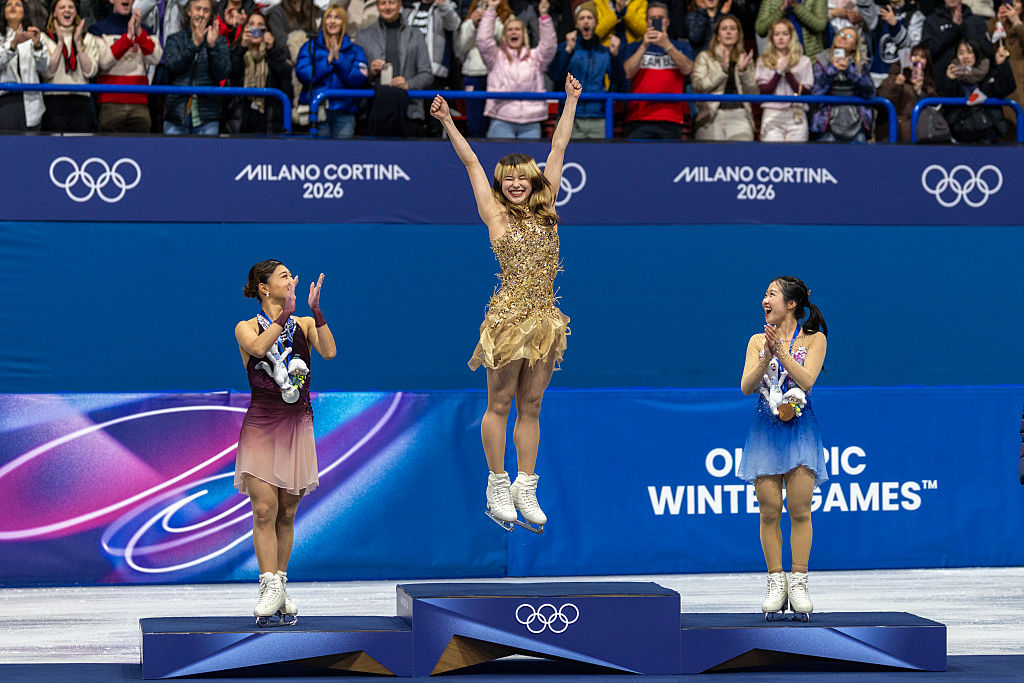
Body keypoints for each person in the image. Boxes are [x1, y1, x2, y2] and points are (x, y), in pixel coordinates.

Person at [428, 73, 582, 533]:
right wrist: (448, 123)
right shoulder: (493, 214)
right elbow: (473, 164)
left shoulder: (548, 206)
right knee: (500, 403)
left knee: (531, 405)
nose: (515, 184)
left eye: (522, 178)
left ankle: (525, 484)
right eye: (508, 179)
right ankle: (497, 483)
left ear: (534, 181)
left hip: (545, 320)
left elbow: (558, 148)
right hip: (509, 318)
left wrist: (571, 99)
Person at [234, 261, 336, 625]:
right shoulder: (246, 327)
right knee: (264, 509)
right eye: (283, 276)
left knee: (287, 512)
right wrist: (283, 316)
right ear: (264, 288)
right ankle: (267, 585)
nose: (291, 280)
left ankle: (280, 583)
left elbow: (329, 352)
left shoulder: (304, 325)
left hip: (297, 426)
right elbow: (260, 349)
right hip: (262, 426)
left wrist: (317, 312)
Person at [739, 276, 828, 621]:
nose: (765, 299)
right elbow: (746, 386)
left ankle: (799, 582)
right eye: (765, 294)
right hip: (765, 432)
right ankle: (776, 583)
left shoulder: (814, 338)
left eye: (771, 294)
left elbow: (806, 380)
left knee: (800, 508)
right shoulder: (756, 340)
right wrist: (765, 357)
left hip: (801, 431)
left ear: (791, 303)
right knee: (770, 509)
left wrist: (781, 353)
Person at [476, 0, 557, 139]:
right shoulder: (496, 58)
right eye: (510, 29)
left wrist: (544, 17)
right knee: (500, 160)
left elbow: (549, 46)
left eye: (517, 29)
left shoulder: (535, 58)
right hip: (501, 119)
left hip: (531, 122)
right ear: (504, 35)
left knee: (528, 161)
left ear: (524, 34)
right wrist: (490, 10)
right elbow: (483, 41)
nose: (514, 32)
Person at [354, 0, 433, 136]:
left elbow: (427, 74)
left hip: (409, 111)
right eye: (383, 3)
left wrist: (408, 84)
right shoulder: (363, 36)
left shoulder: (416, 35)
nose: (387, 7)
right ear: (377, 6)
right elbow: (355, 75)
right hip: (374, 111)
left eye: (391, 2)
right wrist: (370, 71)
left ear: (399, 5)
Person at [548, 0, 624, 138]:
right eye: (582, 18)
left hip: (598, 118)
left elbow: (617, 79)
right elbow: (554, 76)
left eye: (590, 18)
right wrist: (567, 51)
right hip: (569, 116)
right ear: (577, 23)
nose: (586, 22)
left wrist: (615, 56)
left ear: (595, 22)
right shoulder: (567, 48)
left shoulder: (605, 51)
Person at [622, 1, 695, 139]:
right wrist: (644, 46)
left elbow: (688, 69)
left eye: (660, 18)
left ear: (667, 22)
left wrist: (667, 46)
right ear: (647, 22)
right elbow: (628, 72)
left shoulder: (681, 46)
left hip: (671, 118)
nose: (656, 21)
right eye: (652, 18)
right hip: (638, 118)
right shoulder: (634, 47)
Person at [88, 0, 163, 133]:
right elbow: (103, 63)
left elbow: (156, 58)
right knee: (109, 151)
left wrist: (139, 32)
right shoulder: (98, 30)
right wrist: (127, 38)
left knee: (140, 150)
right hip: (110, 103)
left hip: (140, 104)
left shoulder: (145, 31)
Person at [296, 3, 368, 138]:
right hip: (318, 111)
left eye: (337, 17)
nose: (332, 21)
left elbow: (359, 79)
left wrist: (339, 59)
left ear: (344, 22)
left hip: (345, 112)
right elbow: (303, 74)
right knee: (319, 156)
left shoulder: (356, 51)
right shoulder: (310, 46)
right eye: (329, 17)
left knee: (343, 156)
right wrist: (327, 61)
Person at [162, 0, 230, 135]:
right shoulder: (174, 39)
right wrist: (194, 45)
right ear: (189, 12)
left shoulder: (219, 41)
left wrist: (212, 47)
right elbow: (172, 67)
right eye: (197, 9)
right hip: (176, 114)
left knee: (208, 156)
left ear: (211, 15)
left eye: (206, 10)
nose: (201, 14)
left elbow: (222, 72)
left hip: (207, 116)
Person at [226, 9, 293, 133]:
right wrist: (241, 48)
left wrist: (272, 50)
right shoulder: (235, 50)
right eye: (251, 25)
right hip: (240, 117)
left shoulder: (275, 52)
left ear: (267, 31)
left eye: (260, 26)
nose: (255, 29)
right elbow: (230, 75)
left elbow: (285, 79)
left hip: (268, 119)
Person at [692, 13, 756, 139]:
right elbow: (698, 86)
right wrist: (722, 71)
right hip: (712, 115)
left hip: (740, 114)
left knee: (743, 157)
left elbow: (753, 93)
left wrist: (744, 72)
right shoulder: (705, 57)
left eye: (733, 29)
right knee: (713, 157)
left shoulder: (744, 58)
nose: (728, 32)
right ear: (717, 36)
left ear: (738, 35)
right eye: (724, 29)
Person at [810, 24, 876, 141]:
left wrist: (849, 71)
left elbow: (870, 92)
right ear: (835, 38)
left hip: (856, 121)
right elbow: (816, 92)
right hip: (827, 123)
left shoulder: (861, 64)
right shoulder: (821, 61)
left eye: (849, 36)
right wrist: (832, 70)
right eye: (841, 34)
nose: (844, 37)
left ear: (855, 46)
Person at [40, 0, 96, 132]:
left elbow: (90, 72)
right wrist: (60, 43)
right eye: (62, 7)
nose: (67, 10)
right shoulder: (44, 38)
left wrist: (78, 44)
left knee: (82, 147)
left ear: (76, 12)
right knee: (55, 148)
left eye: (71, 7)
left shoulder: (87, 38)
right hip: (54, 101)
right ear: (54, 13)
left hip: (82, 101)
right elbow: (48, 72)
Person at [457, 0, 510, 137]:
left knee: (497, 120)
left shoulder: (507, 18)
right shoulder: (468, 22)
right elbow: (462, 47)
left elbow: (505, 40)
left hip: (498, 73)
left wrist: (490, 18)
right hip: (473, 74)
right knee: (475, 122)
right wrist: (473, 24)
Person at [755, 17, 813, 141]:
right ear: (771, 38)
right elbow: (765, 91)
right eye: (776, 34)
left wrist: (788, 73)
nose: (780, 38)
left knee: (797, 157)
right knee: (773, 157)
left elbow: (805, 92)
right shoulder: (763, 61)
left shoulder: (804, 61)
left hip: (796, 113)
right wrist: (778, 72)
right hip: (772, 114)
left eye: (785, 34)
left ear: (791, 37)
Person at [0, 0, 49, 131]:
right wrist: (13, 45)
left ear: (24, 12)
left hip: (31, 101)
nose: (13, 7)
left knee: (32, 148)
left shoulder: (34, 35)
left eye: (17, 4)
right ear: (3, 12)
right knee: (8, 148)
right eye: (9, 4)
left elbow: (44, 67)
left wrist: (38, 46)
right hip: (5, 101)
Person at [875, 42, 938, 141]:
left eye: (922, 57)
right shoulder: (894, 77)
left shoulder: (929, 86)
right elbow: (881, 101)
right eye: (914, 55)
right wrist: (896, 85)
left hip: (919, 139)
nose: (917, 59)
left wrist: (919, 92)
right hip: (893, 136)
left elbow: (935, 110)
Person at [923, 0, 992, 85]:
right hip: (942, 83)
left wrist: (965, 28)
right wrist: (953, 29)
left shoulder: (976, 20)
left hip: (975, 83)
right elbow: (929, 52)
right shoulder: (932, 21)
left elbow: (988, 50)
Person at [989, 0, 1024, 136]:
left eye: (1017, 1)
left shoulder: (1020, 25)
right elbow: (986, 48)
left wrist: (1017, 22)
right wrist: (1000, 23)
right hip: (1001, 92)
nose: (1013, 4)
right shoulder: (993, 23)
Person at [755, 0, 828, 61]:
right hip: (778, 59)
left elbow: (820, 25)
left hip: (810, 59)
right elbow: (760, 29)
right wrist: (781, 9)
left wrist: (796, 6)